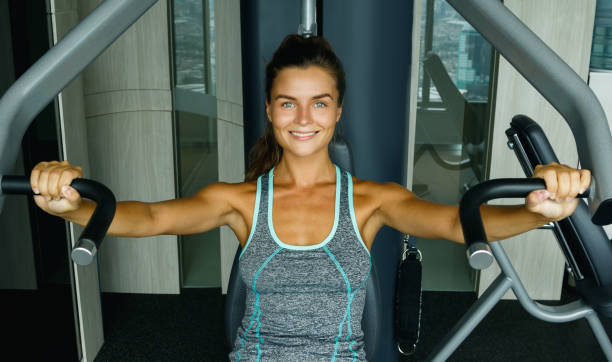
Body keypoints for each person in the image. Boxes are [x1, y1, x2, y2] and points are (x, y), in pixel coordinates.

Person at [30, 35, 590, 361]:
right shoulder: (240, 201)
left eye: (319, 103)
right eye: (288, 103)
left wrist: (539, 211)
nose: (304, 119)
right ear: (271, 110)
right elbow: (149, 217)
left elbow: (454, 223)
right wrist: (72, 205)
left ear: (338, 111)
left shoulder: (373, 200)